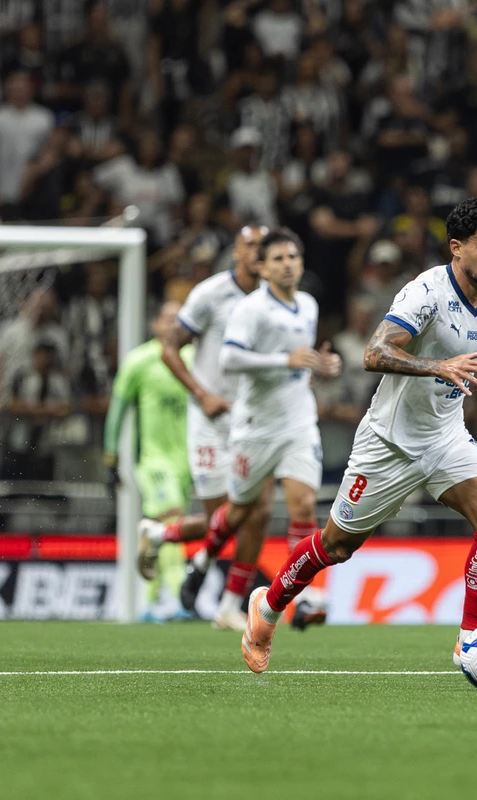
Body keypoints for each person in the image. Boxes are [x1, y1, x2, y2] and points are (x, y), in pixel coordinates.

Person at [238, 197, 477, 674]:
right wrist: (437, 367)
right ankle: (267, 606)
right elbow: (374, 352)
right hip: (389, 444)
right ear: (456, 248)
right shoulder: (424, 292)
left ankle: (471, 640)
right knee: (336, 546)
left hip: (445, 437)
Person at [180, 228, 340, 638]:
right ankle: (201, 561)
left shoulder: (308, 304)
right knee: (238, 512)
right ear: (262, 267)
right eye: (279, 258)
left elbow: (300, 362)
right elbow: (230, 359)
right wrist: (283, 359)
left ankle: (299, 596)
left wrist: (320, 365)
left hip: (298, 421)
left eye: (293, 256)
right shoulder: (251, 309)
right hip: (254, 426)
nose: (288, 264)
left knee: (303, 505)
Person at [137, 225, 281, 632]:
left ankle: (230, 606)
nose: (258, 252)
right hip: (211, 420)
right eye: (250, 245)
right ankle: (161, 534)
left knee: (261, 513)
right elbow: (169, 347)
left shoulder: (278, 301)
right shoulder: (210, 294)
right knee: (225, 516)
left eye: (264, 247)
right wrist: (201, 394)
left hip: (255, 421)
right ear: (236, 251)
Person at [104, 301, 194, 622]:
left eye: (178, 320)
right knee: (172, 519)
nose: (172, 325)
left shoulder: (194, 359)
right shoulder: (139, 360)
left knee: (165, 529)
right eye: (167, 318)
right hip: (154, 460)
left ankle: (151, 604)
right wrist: (110, 455)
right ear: (156, 324)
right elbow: (118, 408)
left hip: (188, 461)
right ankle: (183, 594)